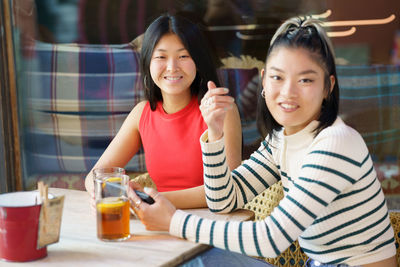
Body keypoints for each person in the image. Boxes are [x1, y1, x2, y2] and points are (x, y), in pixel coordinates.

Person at [127, 16, 397, 266]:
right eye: (278, 77)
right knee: (201, 259)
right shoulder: (280, 140)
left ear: (328, 87)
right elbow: (223, 201)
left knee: (199, 260)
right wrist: (214, 135)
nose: (288, 92)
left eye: (305, 79)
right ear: (264, 81)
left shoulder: (336, 143)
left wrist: (173, 220)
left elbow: (270, 239)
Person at [85, 14, 242, 209]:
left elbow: (230, 189)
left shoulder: (220, 111)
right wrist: (109, 192)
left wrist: (147, 199)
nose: (172, 67)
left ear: (198, 60)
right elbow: (95, 176)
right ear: (148, 62)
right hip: (157, 222)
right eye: (161, 57)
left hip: (211, 224)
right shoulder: (141, 113)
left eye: (183, 56)